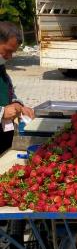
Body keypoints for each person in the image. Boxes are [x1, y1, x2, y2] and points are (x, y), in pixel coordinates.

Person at [0, 22, 35, 155]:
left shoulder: (0, 67)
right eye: (7, 51)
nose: (9, 57)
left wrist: (17, 104)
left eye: (12, 52)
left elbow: (8, 90)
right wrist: (2, 112)